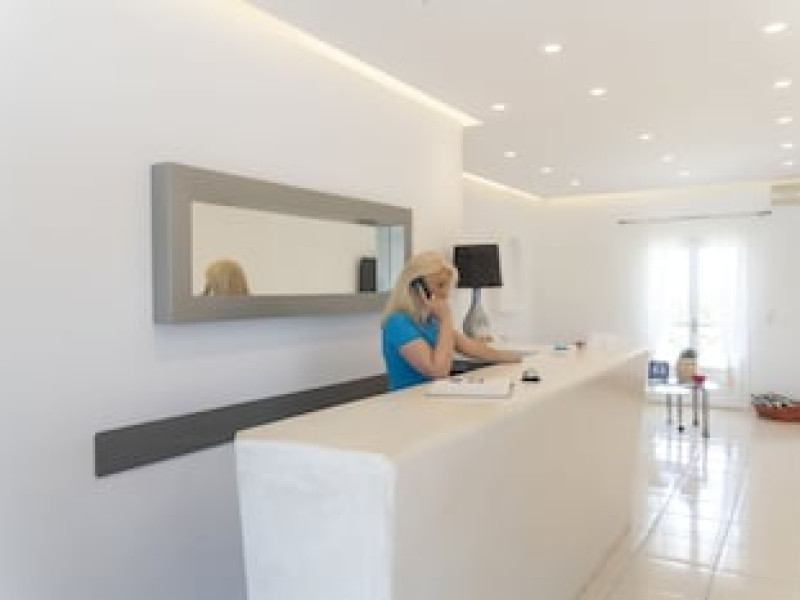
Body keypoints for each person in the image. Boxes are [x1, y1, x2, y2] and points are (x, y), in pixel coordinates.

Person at [381, 251, 521, 391]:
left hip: (433, 396)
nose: (446, 294)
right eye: (440, 285)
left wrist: (512, 358)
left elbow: (474, 349)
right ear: (418, 288)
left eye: (447, 286)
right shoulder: (398, 323)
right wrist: (446, 318)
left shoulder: (431, 322)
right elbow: (438, 371)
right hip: (409, 400)